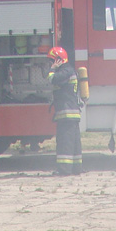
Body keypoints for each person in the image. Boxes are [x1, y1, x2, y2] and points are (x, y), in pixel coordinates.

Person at [46, 46, 82, 176]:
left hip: (67, 113)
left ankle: (64, 170)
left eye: (52, 60)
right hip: (71, 113)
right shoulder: (69, 70)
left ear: (59, 60)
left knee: (64, 142)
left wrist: (52, 69)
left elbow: (51, 79)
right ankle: (76, 168)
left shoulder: (65, 71)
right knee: (74, 142)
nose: (50, 64)